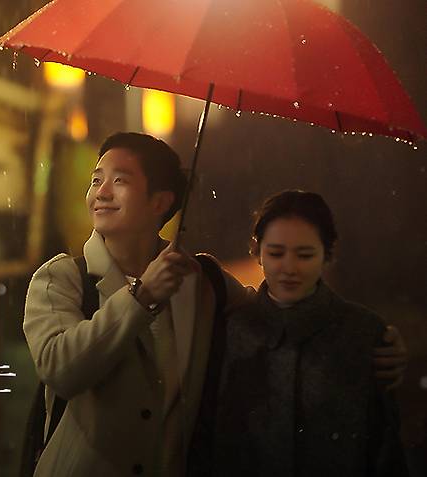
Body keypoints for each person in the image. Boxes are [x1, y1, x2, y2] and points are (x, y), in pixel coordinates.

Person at [23, 134, 407, 477]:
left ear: (160, 201)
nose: (101, 192)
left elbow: (276, 318)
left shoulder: (201, 279)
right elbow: (61, 368)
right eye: (96, 180)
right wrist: (141, 297)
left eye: (119, 180)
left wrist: (372, 341)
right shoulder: (62, 278)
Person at [190, 190, 409, 477]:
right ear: (257, 252)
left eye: (305, 255)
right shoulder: (232, 331)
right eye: (276, 253)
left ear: (326, 254)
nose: (289, 268)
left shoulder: (363, 332)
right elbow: (205, 437)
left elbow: (386, 448)